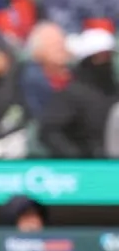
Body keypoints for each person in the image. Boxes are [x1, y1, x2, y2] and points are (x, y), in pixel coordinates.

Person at [39, 28, 119, 157]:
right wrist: (77, 158)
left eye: (108, 57)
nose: (105, 63)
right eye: (99, 58)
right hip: (86, 169)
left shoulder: (114, 91)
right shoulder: (71, 94)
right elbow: (49, 132)